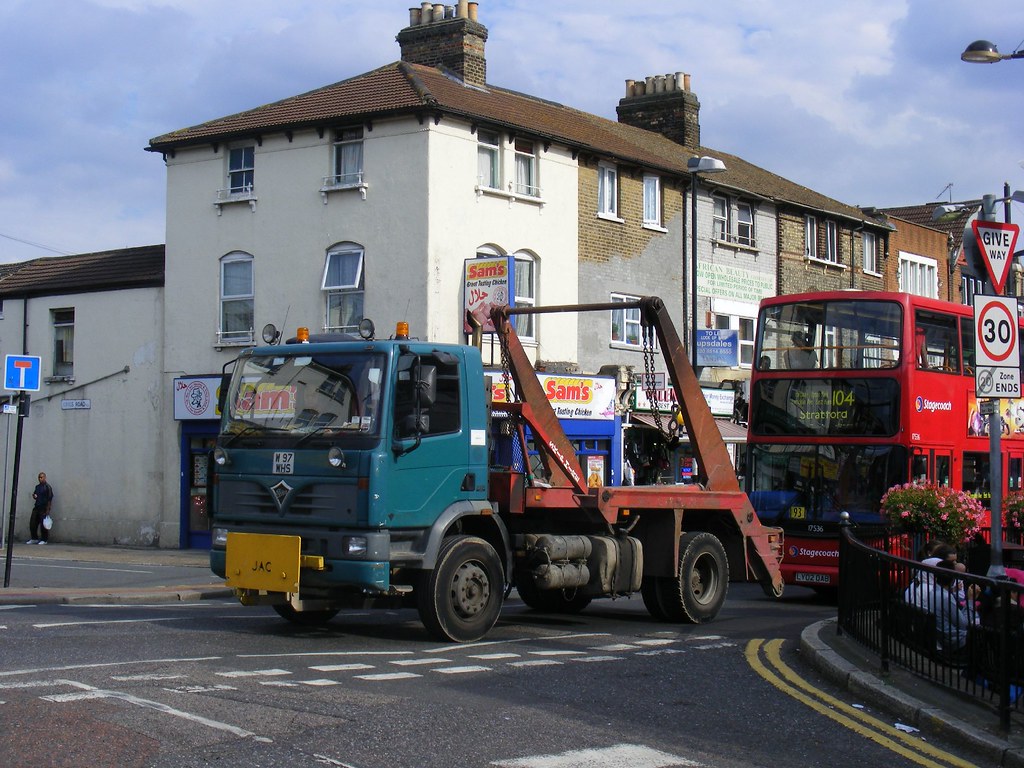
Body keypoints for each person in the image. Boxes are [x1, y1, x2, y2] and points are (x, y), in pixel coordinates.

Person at [27, 471, 53, 545]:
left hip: (43, 508)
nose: (40, 479)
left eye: (41, 477)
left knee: (43, 525)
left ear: (44, 478)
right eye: (39, 477)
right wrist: (34, 496)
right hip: (37, 507)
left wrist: (48, 509)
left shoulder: (47, 487)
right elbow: (36, 495)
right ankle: (34, 538)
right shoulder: (37, 487)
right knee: (33, 523)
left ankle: (44, 539)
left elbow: (50, 499)